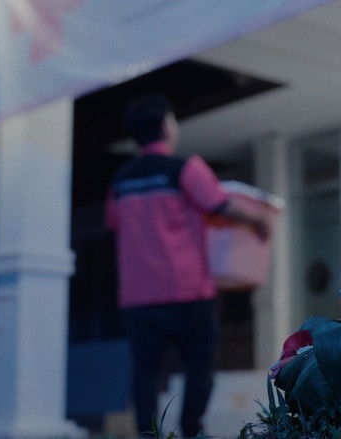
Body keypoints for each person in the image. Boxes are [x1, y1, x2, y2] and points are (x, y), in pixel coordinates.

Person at [105, 93, 268, 437]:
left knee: (145, 371)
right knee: (200, 364)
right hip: (187, 290)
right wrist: (257, 220)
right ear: (166, 126)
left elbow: (113, 222)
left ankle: (148, 433)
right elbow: (220, 205)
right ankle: (192, 430)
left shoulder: (120, 180)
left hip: (138, 297)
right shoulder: (185, 169)